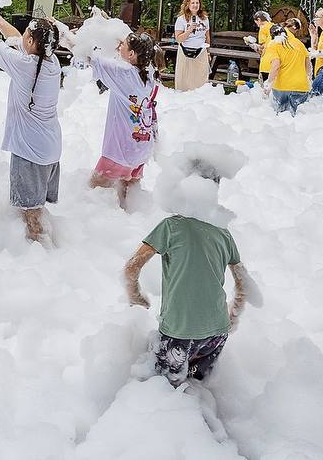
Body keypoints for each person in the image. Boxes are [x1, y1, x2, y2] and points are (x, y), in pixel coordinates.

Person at [124, 183, 249, 387]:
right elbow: (243, 283)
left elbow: (131, 267)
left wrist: (135, 294)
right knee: (197, 384)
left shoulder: (171, 226)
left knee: (166, 388)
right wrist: (234, 312)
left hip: (179, 331)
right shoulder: (223, 232)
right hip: (217, 333)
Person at [0, 7, 62, 244]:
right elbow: (15, 39)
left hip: (29, 151)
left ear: (31, 40)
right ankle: (45, 247)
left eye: (27, 34)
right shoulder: (52, 61)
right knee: (35, 206)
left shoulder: (23, 65)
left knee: (30, 210)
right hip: (50, 149)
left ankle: (39, 251)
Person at [84, 32, 160, 209]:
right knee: (129, 195)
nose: (119, 46)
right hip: (141, 147)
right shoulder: (148, 74)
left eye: (123, 45)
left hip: (120, 150)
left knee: (94, 191)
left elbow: (88, 55)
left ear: (132, 54)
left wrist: (68, 35)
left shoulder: (122, 73)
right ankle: (132, 221)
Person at [264, 18, 312, 115]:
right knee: (297, 118)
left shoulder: (274, 44)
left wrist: (268, 83)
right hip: (301, 87)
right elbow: (308, 65)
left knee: (282, 119)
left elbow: (276, 66)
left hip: (282, 87)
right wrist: (308, 79)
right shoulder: (300, 44)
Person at [173, 0, 211, 92]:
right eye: (193, 3)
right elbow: (178, 39)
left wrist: (208, 52)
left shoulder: (205, 19)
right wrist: (189, 30)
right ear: (188, 5)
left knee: (200, 80)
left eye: (197, 3)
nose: (195, 5)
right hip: (185, 52)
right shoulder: (181, 19)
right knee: (185, 80)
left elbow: (207, 37)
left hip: (201, 52)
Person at [244, 11, 275, 86]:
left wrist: (250, 43)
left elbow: (261, 50)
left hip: (266, 63)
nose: (257, 25)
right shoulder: (274, 27)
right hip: (276, 62)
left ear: (259, 20)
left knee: (265, 88)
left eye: (256, 22)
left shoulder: (263, 28)